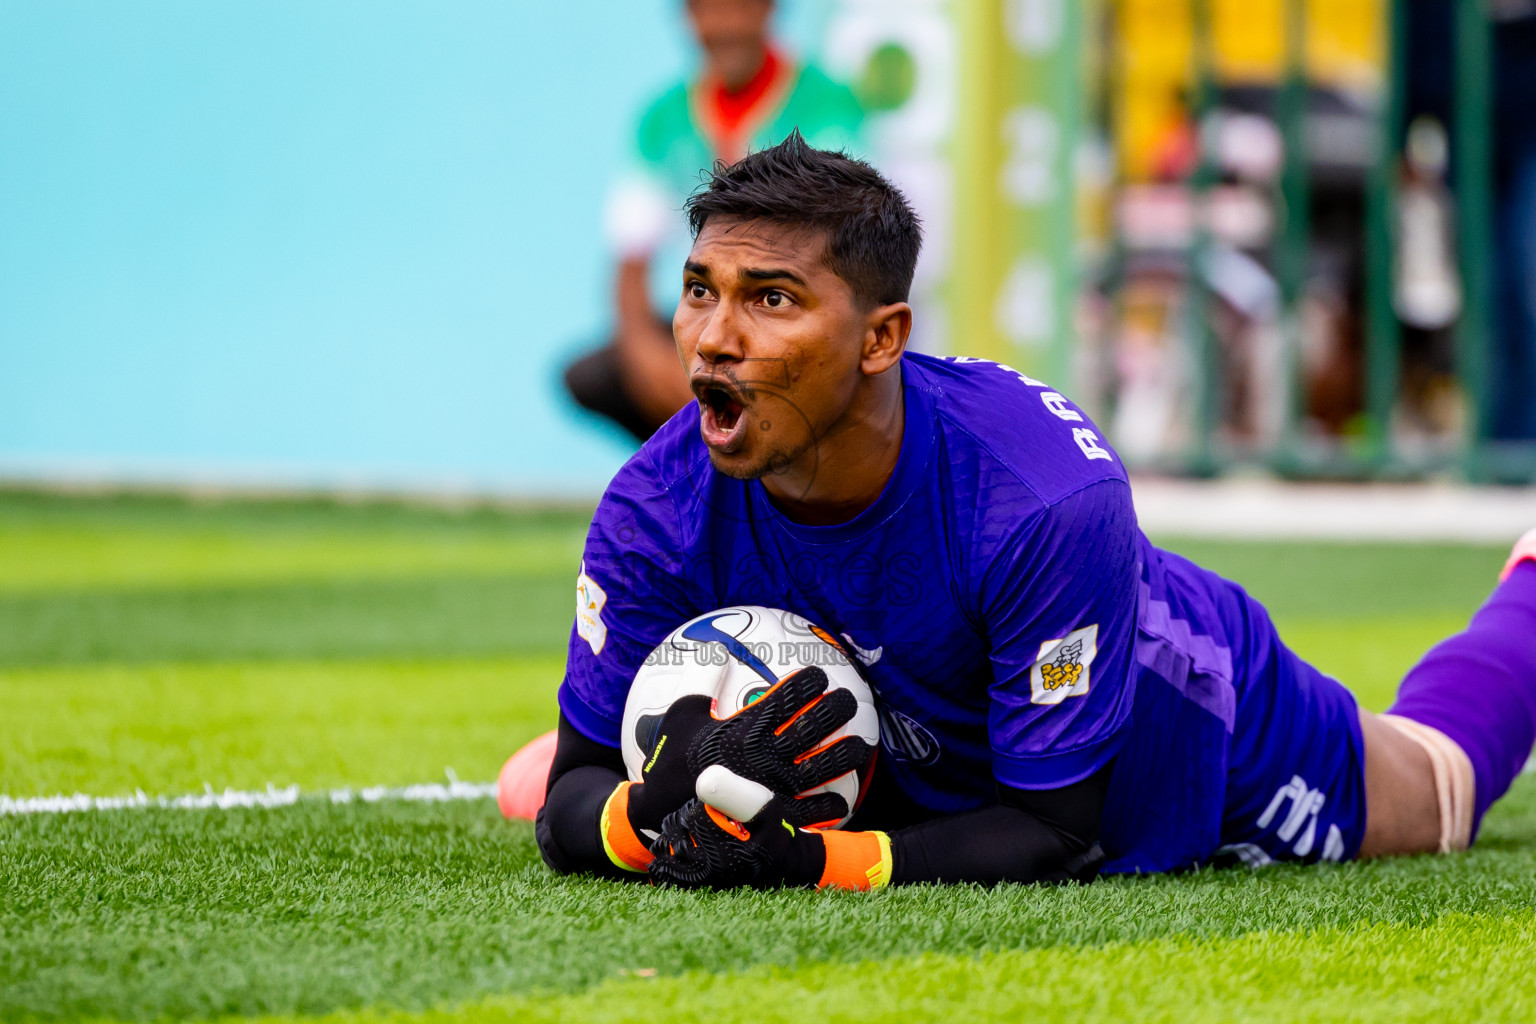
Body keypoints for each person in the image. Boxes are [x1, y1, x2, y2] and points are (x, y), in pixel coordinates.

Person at [534, 133, 1536, 890]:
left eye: (772, 300)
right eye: (699, 289)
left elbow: (1057, 829)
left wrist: (808, 865)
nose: (711, 338)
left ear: (883, 339)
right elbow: (570, 799)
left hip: (1193, 720)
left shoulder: (1040, 499)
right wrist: (647, 808)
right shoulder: (655, 505)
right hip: (918, 754)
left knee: (1440, 787)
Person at [562, 0, 863, 443]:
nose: (723, 24)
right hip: (714, 315)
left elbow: (842, 249)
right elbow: (630, 259)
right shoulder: (663, 117)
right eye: (706, 9)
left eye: (738, 7)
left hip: (796, 309)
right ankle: (692, 480)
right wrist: (647, 355)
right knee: (595, 377)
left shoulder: (828, 105)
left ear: (769, 10)